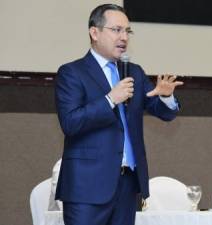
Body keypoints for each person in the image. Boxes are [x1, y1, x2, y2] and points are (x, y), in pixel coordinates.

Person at [54, 4, 183, 225]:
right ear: (94, 33)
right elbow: (70, 122)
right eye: (116, 30)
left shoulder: (134, 72)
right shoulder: (72, 73)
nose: (124, 37)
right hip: (87, 189)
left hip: (127, 185)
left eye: (127, 31)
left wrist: (165, 97)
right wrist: (110, 99)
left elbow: (163, 113)